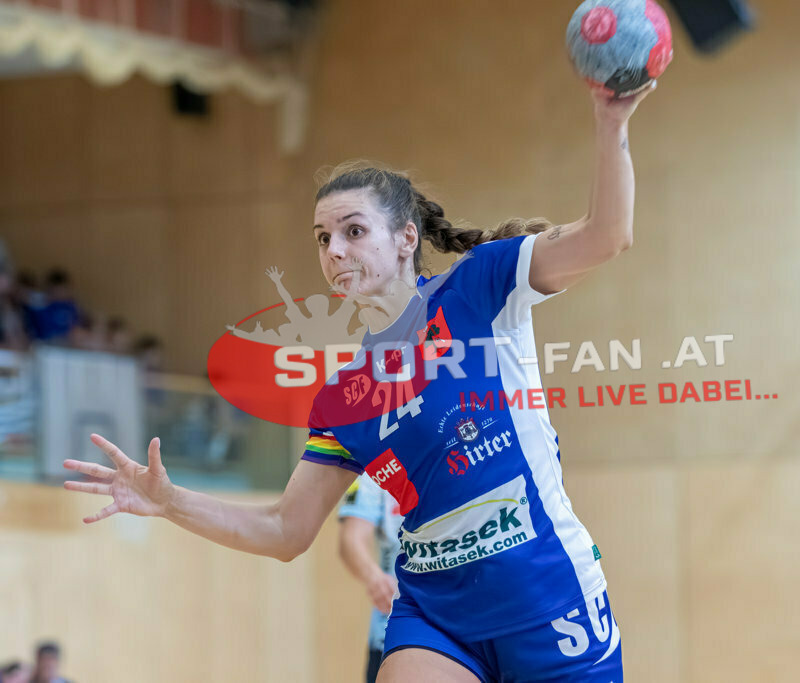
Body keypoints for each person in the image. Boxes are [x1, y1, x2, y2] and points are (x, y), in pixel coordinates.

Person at [63, 81, 653, 681]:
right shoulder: (343, 397)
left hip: (544, 594)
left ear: (405, 239)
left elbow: (607, 236)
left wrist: (611, 123)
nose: (334, 251)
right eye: (323, 239)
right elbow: (285, 530)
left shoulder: (480, 286)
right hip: (437, 614)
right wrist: (169, 502)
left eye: (352, 231)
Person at [336, 473, 404, 683]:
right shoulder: (375, 470)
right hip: (390, 632)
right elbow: (351, 539)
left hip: (464, 628)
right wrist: (374, 578)